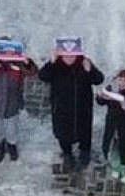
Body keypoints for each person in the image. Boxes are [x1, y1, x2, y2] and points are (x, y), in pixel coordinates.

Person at [40, 37, 104, 170]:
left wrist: (90, 70)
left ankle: (85, 152)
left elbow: (99, 79)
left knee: (85, 132)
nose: (69, 58)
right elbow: (43, 76)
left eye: (73, 55)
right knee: (63, 133)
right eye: (66, 55)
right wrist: (50, 62)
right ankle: (67, 154)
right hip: (61, 108)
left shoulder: (84, 63)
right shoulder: (55, 65)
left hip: (82, 107)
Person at [0, 37, 35, 162]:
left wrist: (26, 61)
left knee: (12, 128)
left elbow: (32, 72)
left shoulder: (18, 63)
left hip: (13, 102)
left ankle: (12, 145)